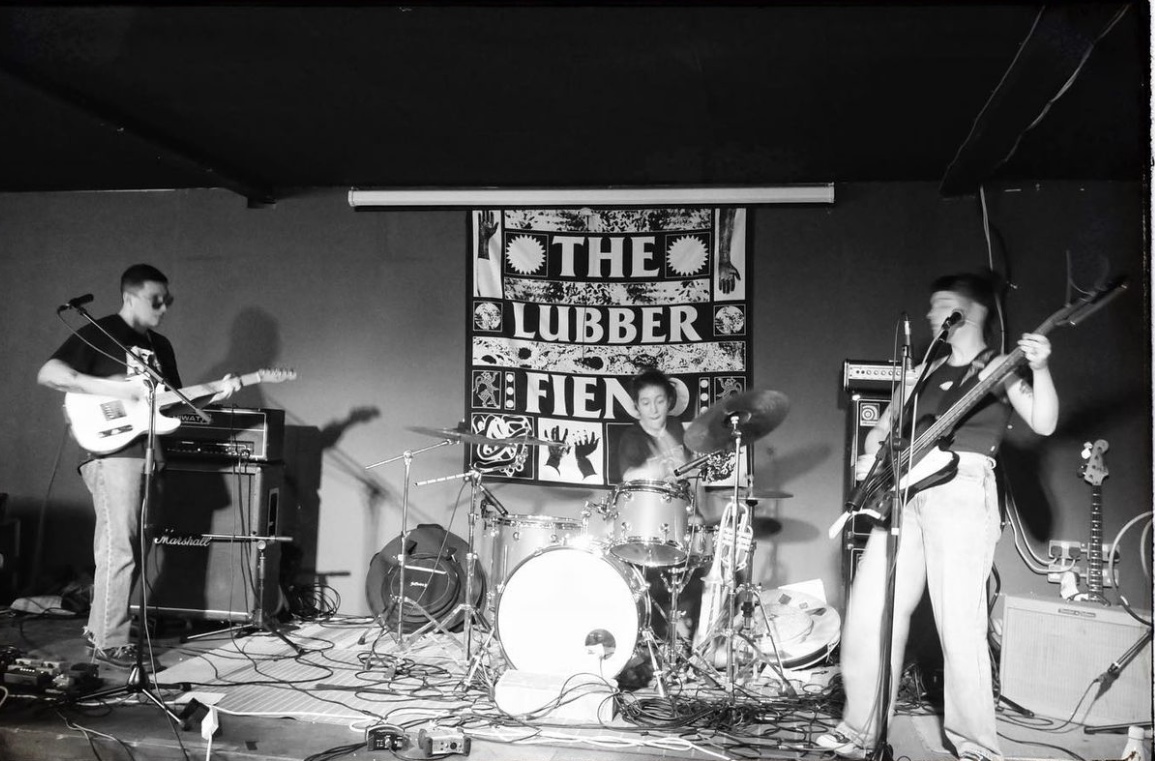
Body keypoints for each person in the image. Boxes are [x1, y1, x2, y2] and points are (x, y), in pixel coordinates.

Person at [818, 272, 1058, 761]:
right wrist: (872, 457)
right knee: (870, 612)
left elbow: (1044, 421)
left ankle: (976, 747)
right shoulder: (927, 371)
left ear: (971, 312)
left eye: (941, 305)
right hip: (906, 495)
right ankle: (860, 728)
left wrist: (1044, 368)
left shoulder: (999, 367)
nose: (931, 315)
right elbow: (881, 430)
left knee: (959, 623)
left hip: (962, 489)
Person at [38, 264, 238, 669]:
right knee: (120, 547)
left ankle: (99, 630)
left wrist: (217, 392)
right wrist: (117, 389)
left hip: (149, 452)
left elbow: (175, 402)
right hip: (112, 452)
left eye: (168, 301)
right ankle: (111, 641)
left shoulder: (160, 347)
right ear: (129, 296)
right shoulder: (101, 332)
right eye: (155, 300)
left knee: (130, 546)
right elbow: (50, 373)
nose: (163, 308)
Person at [618, 368, 690, 482]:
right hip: (649, 498)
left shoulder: (675, 425)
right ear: (637, 406)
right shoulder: (632, 438)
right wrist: (658, 471)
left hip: (681, 495)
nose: (654, 410)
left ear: (669, 401)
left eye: (660, 401)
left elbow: (689, 464)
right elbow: (628, 477)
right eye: (646, 403)